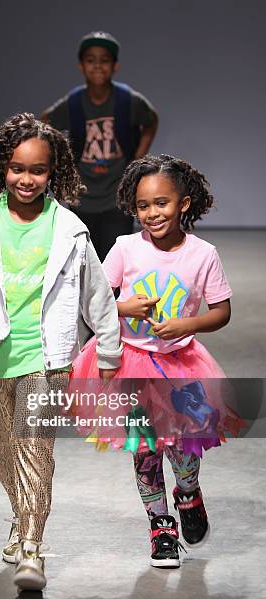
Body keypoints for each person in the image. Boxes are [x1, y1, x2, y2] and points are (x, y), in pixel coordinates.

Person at [0, 113, 121, 592]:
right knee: (5, 451)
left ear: (53, 171)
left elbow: (96, 294)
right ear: (2, 167)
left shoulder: (70, 228)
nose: (26, 179)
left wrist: (108, 350)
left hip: (50, 358)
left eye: (37, 170)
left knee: (36, 453)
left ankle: (33, 549)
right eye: (17, 168)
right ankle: (22, 518)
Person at [72, 154, 245, 568]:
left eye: (162, 203)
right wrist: (123, 307)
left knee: (184, 451)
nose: (152, 214)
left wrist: (188, 323)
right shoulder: (124, 248)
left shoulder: (203, 255)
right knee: (145, 451)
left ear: (184, 203)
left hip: (181, 365)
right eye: (143, 205)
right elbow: (93, 304)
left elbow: (221, 311)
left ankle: (188, 494)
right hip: (131, 364)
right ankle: (160, 528)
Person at [41, 31, 158, 261]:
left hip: (117, 195)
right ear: (81, 66)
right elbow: (45, 122)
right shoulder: (74, 102)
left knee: (115, 261)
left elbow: (151, 120)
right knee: (83, 260)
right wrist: (61, 159)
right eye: (90, 60)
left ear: (115, 66)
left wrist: (137, 160)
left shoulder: (127, 100)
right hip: (82, 196)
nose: (97, 66)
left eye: (104, 60)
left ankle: (114, 299)